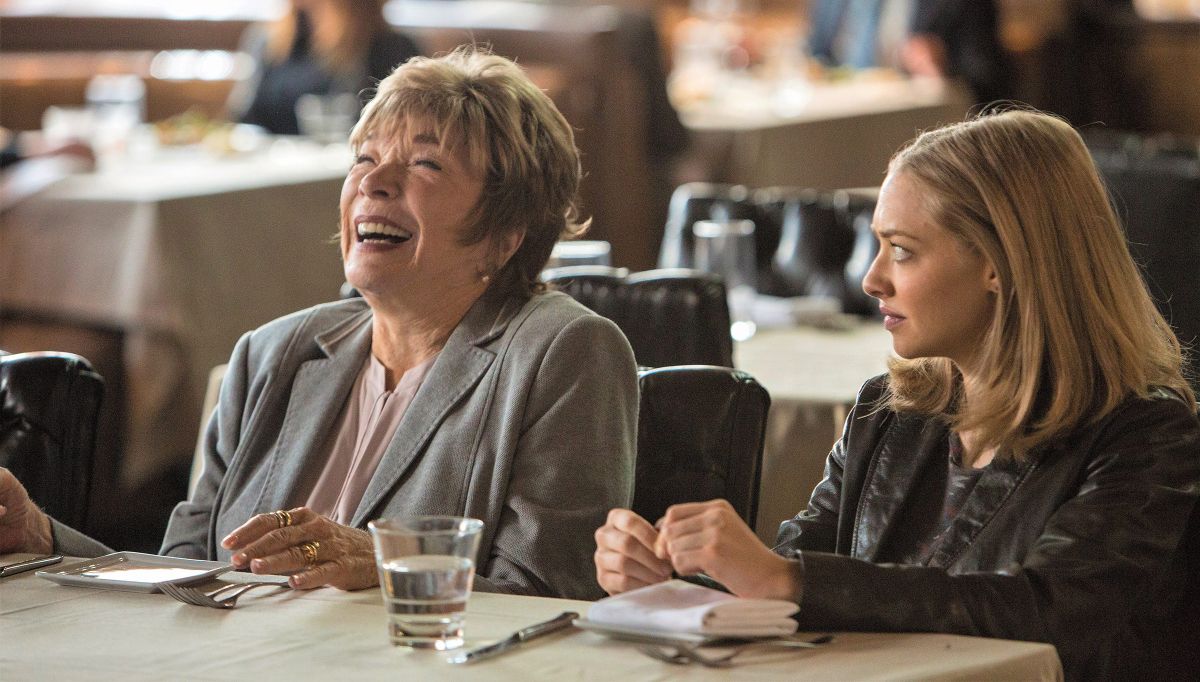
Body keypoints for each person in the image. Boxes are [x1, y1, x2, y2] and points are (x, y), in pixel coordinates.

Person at [0, 47, 638, 601]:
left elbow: (552, 595)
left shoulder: (562, 351)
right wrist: (45, 539)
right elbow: (184, 579)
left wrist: (386, 564)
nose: (374, 182)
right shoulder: (271, 354)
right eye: (364, 157)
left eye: (426, 164)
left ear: (505, 232)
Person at [594, 109, 1200, 679]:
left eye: (902, 250)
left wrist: (788, 581)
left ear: (999, 264)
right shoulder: (891, 412)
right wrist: (672, 585)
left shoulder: (1146, 434)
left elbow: (1048, 611)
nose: (871, 278)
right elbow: (789, 579)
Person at [227, 0, 421, 135]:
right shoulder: (268, 41)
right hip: (269, 168)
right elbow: (244, 118)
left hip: (345, 172)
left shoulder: (390, 48)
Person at [807, 0, 1010, 104]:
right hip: (835, 113)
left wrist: (943, 67)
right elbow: (815, 54)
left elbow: (989, 80)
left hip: (909, 126)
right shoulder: (832, 4)